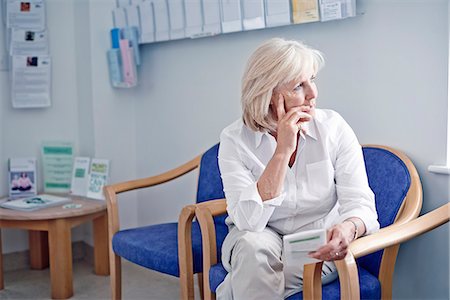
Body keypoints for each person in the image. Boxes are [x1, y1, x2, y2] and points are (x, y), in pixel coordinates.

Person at [217, 38, 379, 299]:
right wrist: (282, 150)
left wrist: (348, 228)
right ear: (267, 95)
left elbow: (361, 203)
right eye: (298, 86)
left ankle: (230, 290)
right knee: (252, 247)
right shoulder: (234, 140)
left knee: (253, 277)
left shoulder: (334, 128)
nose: (313, 94)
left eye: (312, 80)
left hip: (313, 244)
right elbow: (248, 221)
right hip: (258, 239)